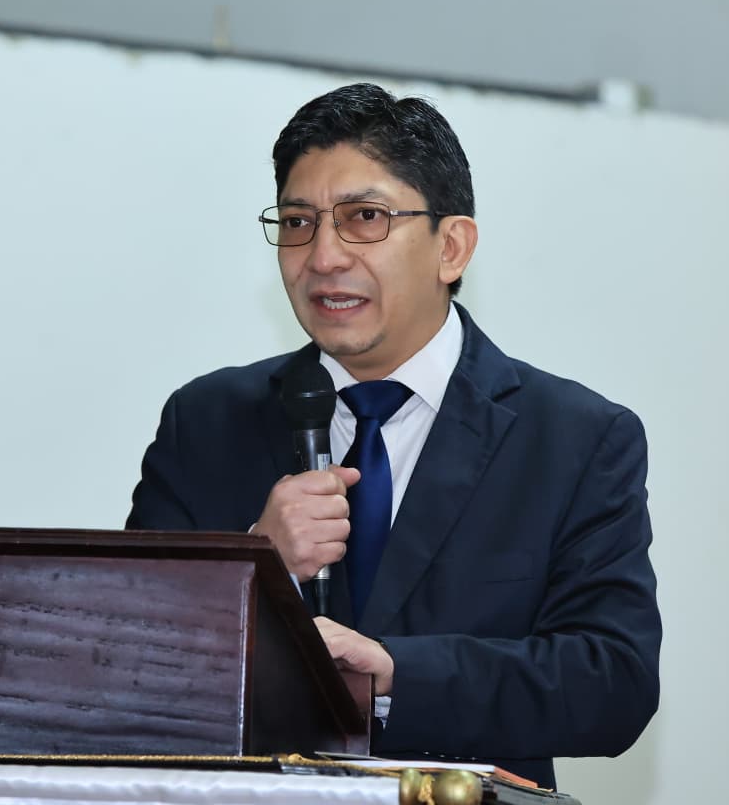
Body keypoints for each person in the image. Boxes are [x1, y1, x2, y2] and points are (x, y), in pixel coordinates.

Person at [126, 82, 661, 788]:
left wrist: (398, 674)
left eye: (365, 218)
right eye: (298, 222)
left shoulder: (574, 441)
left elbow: (612, 682)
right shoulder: (206, 422)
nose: (323, 256)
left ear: (452, 247)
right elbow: (126, 669)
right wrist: (255, 566)